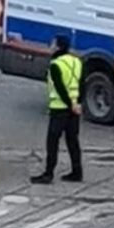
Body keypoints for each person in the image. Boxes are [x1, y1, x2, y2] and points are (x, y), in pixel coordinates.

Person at [31, 34, 84, 184]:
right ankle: (77, 171)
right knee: (72, 140)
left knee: (53, 141)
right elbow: (82, 84)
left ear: (58, 46)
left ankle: (48, 174)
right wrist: (77, 103)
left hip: (60, 108)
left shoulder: (56, 64)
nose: (51, 46)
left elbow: (60, 87)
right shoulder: (76, 62)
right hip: (74, 109)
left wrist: (69, 104)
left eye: (53, 44)